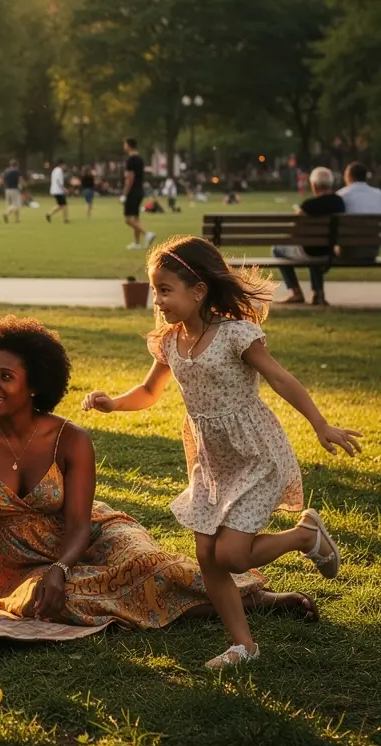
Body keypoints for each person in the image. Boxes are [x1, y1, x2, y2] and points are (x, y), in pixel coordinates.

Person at [83, 236, 362, 669]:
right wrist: (114, 403)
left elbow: (281, 379)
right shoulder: (169, 342)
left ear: (198, 291)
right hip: (210, 461)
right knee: (207, 556)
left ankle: (305, 536)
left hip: (254, 453)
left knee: (231, 555)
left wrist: (320, 423)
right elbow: (149, 391)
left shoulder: (235, 335)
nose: (158, 299)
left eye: (165, 289)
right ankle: (243, 646)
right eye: (154, 289)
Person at [0, 317, 317, 630]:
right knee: (53, 602)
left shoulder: (70, 439)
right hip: (18, 562)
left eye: (6, 376)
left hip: (89, 534)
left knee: (149, 566)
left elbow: (79, 522)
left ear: (34, 387)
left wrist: (61, 566)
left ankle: (256, 599)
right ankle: (239, 603)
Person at [273, 166, 345, 307]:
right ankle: (318, 293)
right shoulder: (340, 203)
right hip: (329, 251)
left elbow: (295, 230)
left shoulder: (309, 205)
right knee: (317, 246)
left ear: (314, 185)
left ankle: (295, 292)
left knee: (277, 249)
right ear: (330, 184)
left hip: (310, 251)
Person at [122, 138, 155, 250]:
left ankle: (147, 234)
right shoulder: (140, 159)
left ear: (128, 146)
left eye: (125, 144)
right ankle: (137, 243)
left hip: (132, 191)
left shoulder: (131, 160)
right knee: (136, 217)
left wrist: (125, 194)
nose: (124, 146)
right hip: (140, 190)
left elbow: (130, 178)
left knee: (128, 218)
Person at [2, 160, 22, 224]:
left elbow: (3, 179)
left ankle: (17, 219)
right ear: (16, 165)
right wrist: (24, 185)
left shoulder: (6, 171)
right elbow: (20, 179)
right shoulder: (16, 171)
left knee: (11, 204)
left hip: (7, 189)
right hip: (14, 189)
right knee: (16, 204)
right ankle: (6, 213)